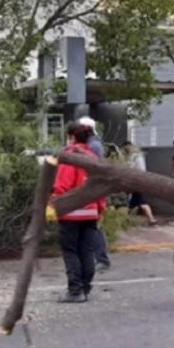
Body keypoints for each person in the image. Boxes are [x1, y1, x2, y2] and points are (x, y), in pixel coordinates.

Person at [51, 123, 106, 303]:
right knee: (86, 251)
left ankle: (75, 290)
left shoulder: (70, 157)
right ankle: (85, 287)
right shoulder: (92, 157)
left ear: (71, 137)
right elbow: (100, 187)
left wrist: (53, 204)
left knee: (71, 251)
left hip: (71, 214)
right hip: (90, 212)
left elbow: (61, 186)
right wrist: (100, 208)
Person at [78, 116, 111, 271]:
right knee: (90, 224)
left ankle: (102, 259)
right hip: (91, 188)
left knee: (94, 225)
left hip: (94, 188)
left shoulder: (93, 146)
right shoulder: (92, 144)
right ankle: (96, 257)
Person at [122, 141, 158, 226]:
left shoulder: (134, 156)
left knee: (142, 202)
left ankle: (151, 219)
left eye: (124, 149)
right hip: (140, 181)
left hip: (138, 182)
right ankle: (125, 219)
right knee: (133, 202)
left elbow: (130, 168)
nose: (124, 151)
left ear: (128, 146)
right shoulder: (138, 155)